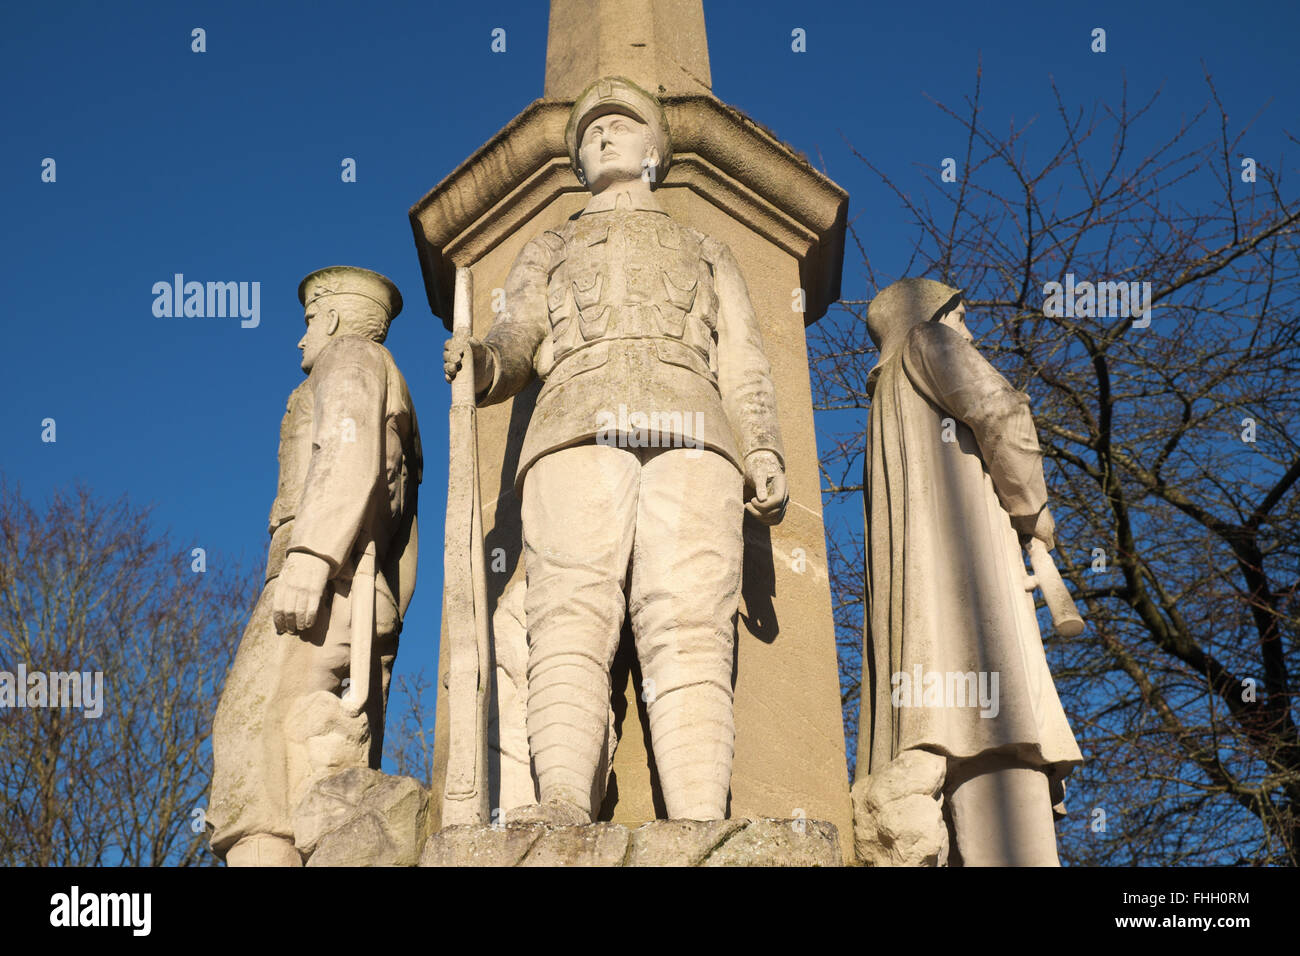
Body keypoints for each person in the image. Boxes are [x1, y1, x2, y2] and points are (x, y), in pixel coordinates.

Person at [443, 76, 787, 824]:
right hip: (574, 425)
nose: (602, 135)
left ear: (655, 150)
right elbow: (519, 337)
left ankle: (700, 816)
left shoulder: (707, 246)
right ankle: (564, 796)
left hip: (694, 431)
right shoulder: (550, 244)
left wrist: (763, 448)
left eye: (621, 124)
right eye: (591, 129)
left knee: (691, 620)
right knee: (568, 612)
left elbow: (746, 364)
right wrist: (485, 367)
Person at [856, 277, 1082, 865]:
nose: (970, 331)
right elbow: (1001, 410)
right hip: (970, 591)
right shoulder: (930, 339)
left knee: (963, 727)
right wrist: (1033, 513)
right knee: (995, 723)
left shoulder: (884, 403)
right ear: (938, 314)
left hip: (925, 633)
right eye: (964, 316)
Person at [210, 266, 421, 865]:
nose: (302, 340)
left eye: (308, 322)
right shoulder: (391, 380)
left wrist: (311, 556)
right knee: (311, 757)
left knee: (255, 742)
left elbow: (346, 447)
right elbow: (408, 539)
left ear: (329, 318)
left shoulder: (350, 357)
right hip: (361, 590)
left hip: (327, 583)